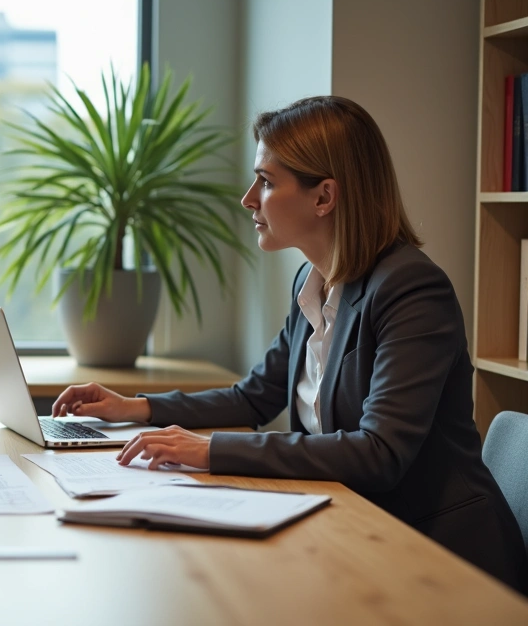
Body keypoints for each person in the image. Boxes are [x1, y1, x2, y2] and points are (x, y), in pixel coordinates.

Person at [52, 96, 528, 593]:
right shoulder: (313, 279)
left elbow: (379, 453)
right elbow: (253, 397)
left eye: (267, 181)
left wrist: (210, 449)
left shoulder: (410, 289)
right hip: (354, 530)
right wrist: (136, 407)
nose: (248, 199)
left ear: (324, 197)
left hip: (440, 555)